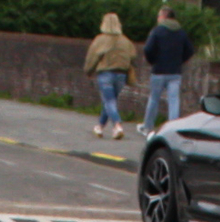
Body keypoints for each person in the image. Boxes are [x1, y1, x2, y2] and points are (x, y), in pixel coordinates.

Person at [81, 11, 135, 142]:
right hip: (121, 75)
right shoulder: (126, 41)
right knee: (110, 102)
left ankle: (118, 126)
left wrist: (88, 70)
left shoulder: (100, 40)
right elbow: (132, 56)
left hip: (105, 74)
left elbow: (92, 58)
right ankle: (99, 127)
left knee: (109, 101)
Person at [138, 5, 190, 135]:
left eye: (159, 16)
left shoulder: (157, 31)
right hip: (175, 73)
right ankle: (172, 128)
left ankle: (147, 127)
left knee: (154, 99)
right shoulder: (181, 32)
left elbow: (147, 49)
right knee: (174, 101)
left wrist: (152, 61)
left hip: (159, 71)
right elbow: (190, 50)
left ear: (164, 16)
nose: (158, 18)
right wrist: (179, 61)